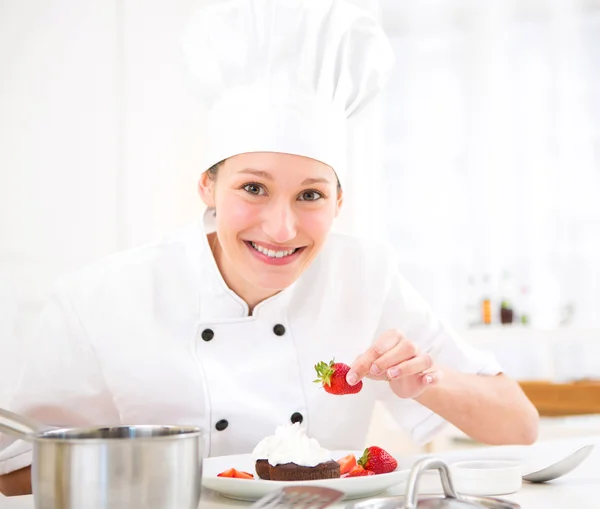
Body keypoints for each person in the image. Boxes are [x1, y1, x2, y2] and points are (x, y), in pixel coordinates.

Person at [0, 0, 538, 497]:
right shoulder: (100, 297)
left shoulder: (365, 276)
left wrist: (427, 379)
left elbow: (519, 425)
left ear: (339, 201)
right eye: (253, 188)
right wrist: (147, 458)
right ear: (208, 187)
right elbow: (11, 472)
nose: (281, 229)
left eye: (310, 195)